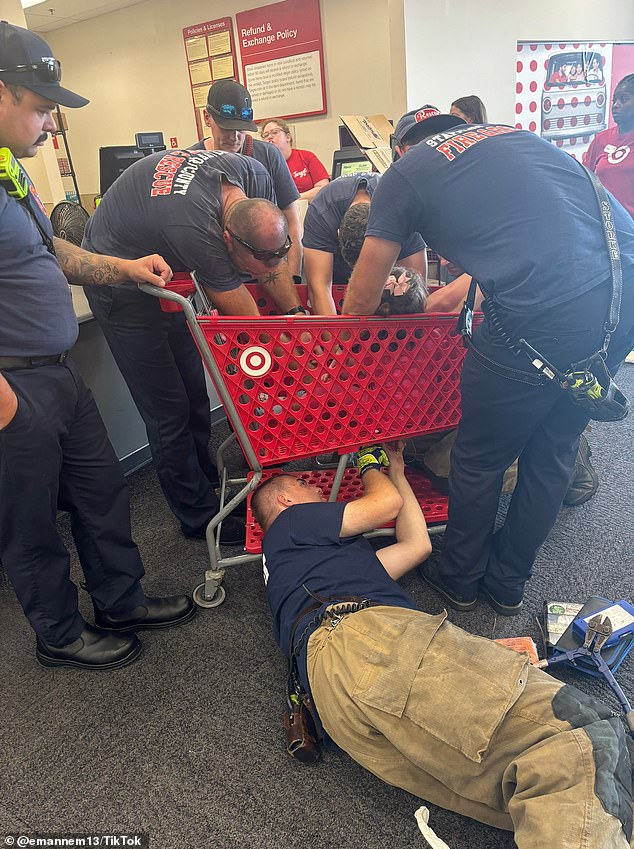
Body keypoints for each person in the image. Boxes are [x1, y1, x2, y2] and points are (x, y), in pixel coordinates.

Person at [252, 446, 634, 849]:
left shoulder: (308, 569)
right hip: (368, 645)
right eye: (303, 485)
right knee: (578, 742)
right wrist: (371, 463)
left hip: (337, 697)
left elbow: (417, 546)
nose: (316, 490)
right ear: (285, 498)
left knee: (538, 781)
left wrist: (398, 472)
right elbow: (384, 504)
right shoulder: (291, 522)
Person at [342, 110, 634, 616]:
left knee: (480, 456)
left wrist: (349, 359)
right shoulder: (513, 136)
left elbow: (362, 301)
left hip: (543, 312)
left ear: (400, 148)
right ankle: (507, 583)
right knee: (555, 447)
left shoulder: (406, 172)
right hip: (622, 292)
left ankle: (459, 577)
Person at [0, 20, 196, 670]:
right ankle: (58, 634)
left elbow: (48, 250)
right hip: (12, 388)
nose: (50, 125)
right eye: (40, 108)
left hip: (55, 374)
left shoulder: (8, 172)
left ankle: (121, 598)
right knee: (29, 523)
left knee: (101, 489)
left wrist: (126, 268)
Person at [83, 151, 304, 543]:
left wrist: (298, 314)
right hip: (119, 282)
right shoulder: (193, 227)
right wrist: (295, 354)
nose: (270, 269)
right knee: (168, 411)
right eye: (258, 262)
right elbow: (249, 323)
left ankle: (209, 486)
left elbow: (273, 267)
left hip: (169, 277)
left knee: (194, 396)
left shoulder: (255, 177)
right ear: (226, 241)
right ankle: (198, 517)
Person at [191, 79, 303, 278]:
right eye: (226, 128)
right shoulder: (192, 162)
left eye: (241, 130)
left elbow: (291, 220)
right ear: (207, 118)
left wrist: (294, 278)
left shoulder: (269, 155)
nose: (234, 137)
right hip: (219, 275)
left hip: (269, 273)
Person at [303, 173, 427, 315]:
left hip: (390, 262)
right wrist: (341, 336)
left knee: (405, 292)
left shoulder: (402, 208)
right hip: (337, 273)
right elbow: (319, 288)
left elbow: (416, 292)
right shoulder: (322, 212)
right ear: (338, 234)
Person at [583, 74, 634, 219]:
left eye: (623, 99)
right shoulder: (602, 139)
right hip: (603, 225)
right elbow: (586, 178)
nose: (616, 105)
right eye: (614, 100)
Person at [260, 117, 330, 201]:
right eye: (266, 135)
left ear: (288, 137)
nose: (270, 137)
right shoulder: (262, 166)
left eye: (275, 132)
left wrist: (295, 199)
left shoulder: (307, 156)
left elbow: (323, 188)